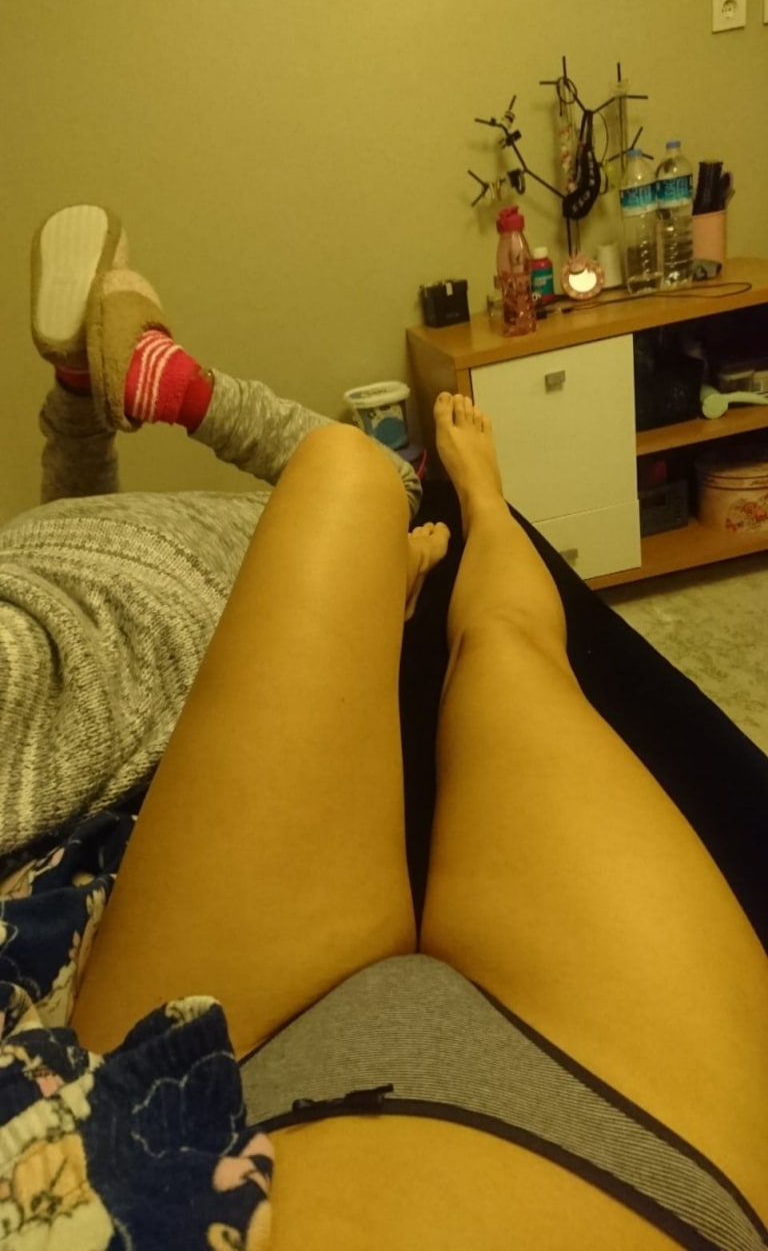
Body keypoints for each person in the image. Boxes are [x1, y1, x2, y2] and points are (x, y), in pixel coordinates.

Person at [0, 206, 766, 1248]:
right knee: (437, 563)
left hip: (165, 1090)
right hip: (634, 1146)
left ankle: (106, 402)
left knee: (383, 525)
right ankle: (472, 505)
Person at [0, 204, 422, 858]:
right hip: (39, 553)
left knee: (389, 485)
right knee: (60, 601)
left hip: (154, 596)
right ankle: (92, 387)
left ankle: (169, 384)